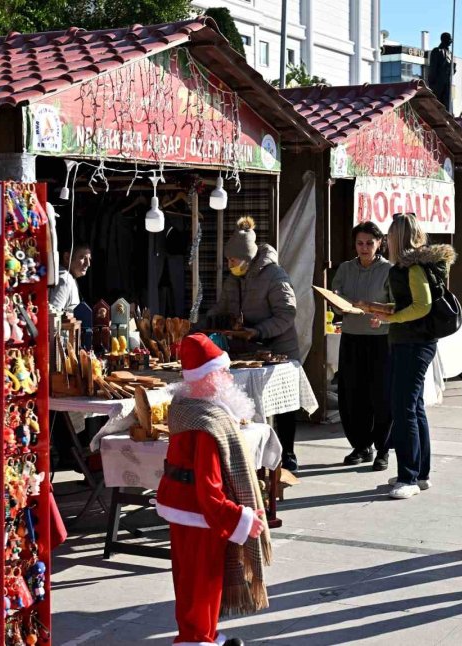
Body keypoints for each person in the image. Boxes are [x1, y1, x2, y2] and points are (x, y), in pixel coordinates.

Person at [156, 333, 271, 646]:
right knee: (202, 581)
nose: (229, 377)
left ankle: (203, 634)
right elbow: (209, 489)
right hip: (197, 512)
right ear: (206, 379)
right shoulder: (207, 424)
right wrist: (242, 519)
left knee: (190, 578)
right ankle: (196, 638)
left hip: (183, 507)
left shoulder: (185, 408)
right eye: (223, 371)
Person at [364, 213, 456, 500]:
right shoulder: (413, 266)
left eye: (389, 234)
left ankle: (409, 477)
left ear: (396, 237)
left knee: (403, 407)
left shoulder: (410, 267)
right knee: (413, 407)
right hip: (413, 342)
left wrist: (392, 319)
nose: (386, 240)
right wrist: (380, 309)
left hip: (413, 343)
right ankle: (420, 472)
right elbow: (410, 304)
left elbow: (422, 306)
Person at [207, 216, 301, 472]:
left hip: (280, 348)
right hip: (248, 348)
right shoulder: (233, 279)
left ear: (247, 259)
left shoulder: (274, 275)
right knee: (248, 405)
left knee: (283, 407)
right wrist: (204, 322)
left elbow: (287, 314)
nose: (229, 265)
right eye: (228, 260)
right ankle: (253, 456)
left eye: (233, 260)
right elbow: (223, 306)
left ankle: (288, 453)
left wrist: (258, 330)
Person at [331, 222, 392, 471]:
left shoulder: (389, 270)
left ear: (379, 243)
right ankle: (360, 445)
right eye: (359, 243)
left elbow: (395, 305)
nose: (364, 247)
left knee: (381, 395)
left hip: (380, 339)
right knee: (352, 394)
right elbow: (335, 298)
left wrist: (376, 310)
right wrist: (338, 304)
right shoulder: (345, 268)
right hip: (351, 336)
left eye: (369, 242)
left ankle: (383, 449)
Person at [49, 239, 91, 312]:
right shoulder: (64, 279)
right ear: (67, 258)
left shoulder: (69, 278)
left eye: (89, 259)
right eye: (83, 258)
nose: (88, 264)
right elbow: (53, 315)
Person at [427, 32, 454, 109]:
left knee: (447, 105)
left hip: (447, 83)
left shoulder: (450, 54)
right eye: (449, 40)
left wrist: (453, 68)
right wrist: (432, 83)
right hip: (438, 84)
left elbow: (451, 71)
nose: (451, 42)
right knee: (437, 105)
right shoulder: (436, 51)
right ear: (444, 40)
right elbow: (433, 67)